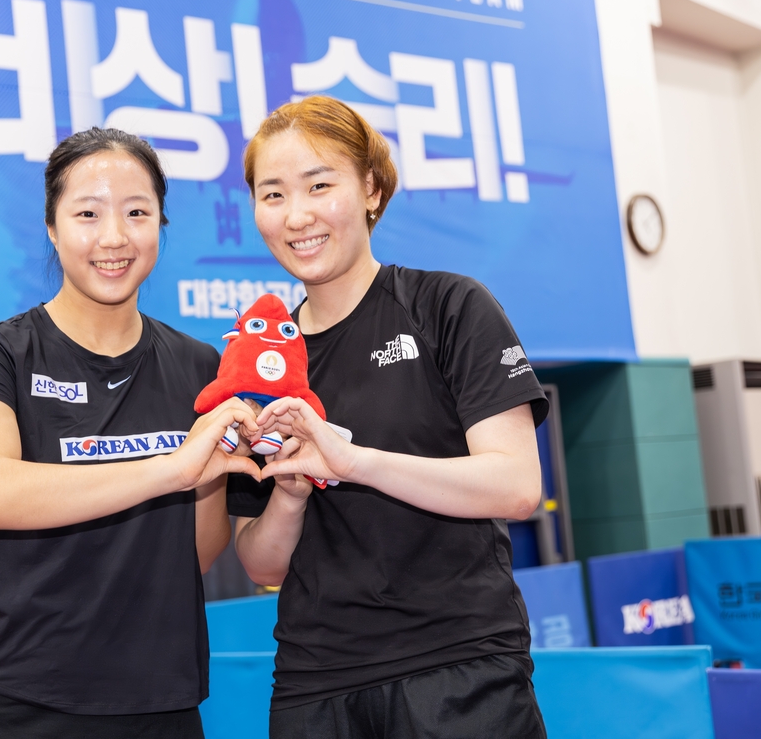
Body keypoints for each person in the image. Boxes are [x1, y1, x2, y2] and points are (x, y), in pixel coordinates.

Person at [231, 96, 550, 738]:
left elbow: (516, 486)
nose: (297, 216)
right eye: (273, 195)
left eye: (320, 185)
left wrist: (353, 463)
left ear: (371, 189)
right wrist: (290, 496)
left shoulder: (447, 307)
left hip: (459, 672)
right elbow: (262, 566)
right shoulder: (260, 363)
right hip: (314, 686)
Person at [0, 127, 258, 738]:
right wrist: (172, 467)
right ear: (53, 228)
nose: (114, 237)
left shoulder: (201, 369)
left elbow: (190, 553)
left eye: (137, 212)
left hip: (157, 700)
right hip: (16, 700)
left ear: (160, 225)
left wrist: (214, 472)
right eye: (88, 213)